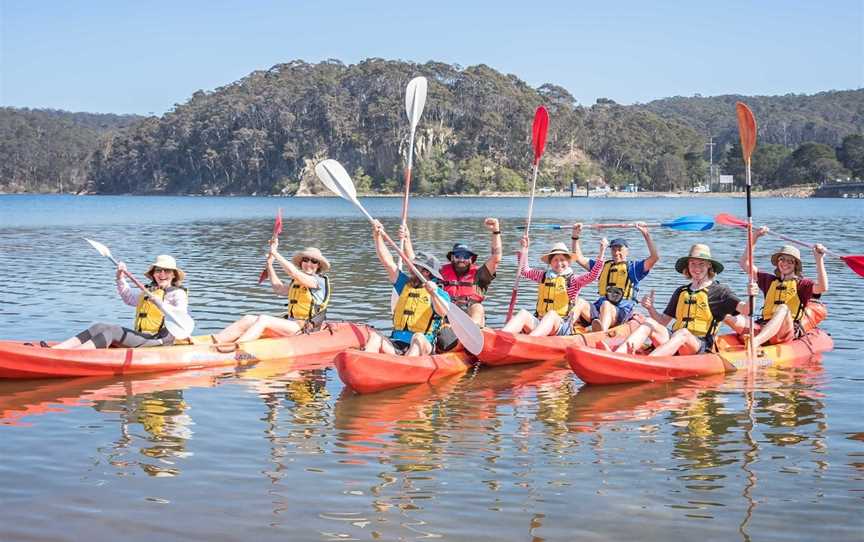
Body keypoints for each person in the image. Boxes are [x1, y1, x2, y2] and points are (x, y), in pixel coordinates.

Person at [611, 243, 752, 356]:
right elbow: (662, 321)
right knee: (649, 322)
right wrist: (650, 308)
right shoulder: (681, 291)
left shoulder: (721, 292)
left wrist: (751, 294)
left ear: (709, 265)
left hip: (699, 346)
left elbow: (746, 310)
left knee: (682, 333)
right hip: (674, 339)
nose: (696, 268)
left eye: (701, 264)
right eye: (693, 264)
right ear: (688, 266)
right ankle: (617, 356)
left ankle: (649, 362)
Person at [400, 218, 501, 350]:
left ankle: (472, 335)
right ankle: (441, 344)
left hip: (470, 320)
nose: (462, 259)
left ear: (471, 259)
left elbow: (496, 258)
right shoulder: (441, 272)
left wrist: (496, 231)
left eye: (466, 256)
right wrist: (406, 239)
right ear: (452, 257)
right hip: (448, 317)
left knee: (478, 307)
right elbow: (416, 265)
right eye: (458, 255)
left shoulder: (479, 274)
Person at [52, 255, 191, 349]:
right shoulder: (150, 290)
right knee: (99, 326)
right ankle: (57, 349)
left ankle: (75, 354)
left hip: (158, 340)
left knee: (113, 331)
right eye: (158, 271)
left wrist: (160, 304)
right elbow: (129, 298)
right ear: (154, 274)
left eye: (167, 271)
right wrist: (120, 277)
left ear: (173, 274)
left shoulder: (177, 294)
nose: (162, 274)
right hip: (143, 336)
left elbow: (180, 316)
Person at [724, 228, 829, 347]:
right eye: (782, 259)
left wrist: (819, 259)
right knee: (726, 315)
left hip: (785, 332)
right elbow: (744, 263)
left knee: (783, 308)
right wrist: (754, 237)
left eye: (790, 261)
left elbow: (823, 287)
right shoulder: (769, 280)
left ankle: (756, 342)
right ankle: (708, 344)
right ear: (777, 262)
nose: (785, 263)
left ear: (796, 266)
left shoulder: (802, 285)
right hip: (762, 327)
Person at [213, 240, 331, 343]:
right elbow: (278, 289)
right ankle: (216, 341)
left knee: (264, 319)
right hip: (290, 323)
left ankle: (238, 347)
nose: (309, 264)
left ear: (318, 266)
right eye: (306, 260)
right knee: (248, 318)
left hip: (304, 327)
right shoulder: (298, 282)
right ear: (301, 262)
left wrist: (275, 252)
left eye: (314, 261)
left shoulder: (318, 281)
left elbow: (293, 272)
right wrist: (270, 265)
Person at [363, 220, 451, 357]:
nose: (411, 268)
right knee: (375, 337)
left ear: (426, 272)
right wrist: (377, 236)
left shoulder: (440, 293)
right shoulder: (405, 284)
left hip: (423, 345)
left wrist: (433, 294)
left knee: (417, 337)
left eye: (415, 267)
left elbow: (443, 312)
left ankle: (406, 368)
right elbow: (388, 263)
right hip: (397, 343)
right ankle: (365, 364)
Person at [502, 235, 608, 336]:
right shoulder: (542, 276)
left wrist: (601, 254)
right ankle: (501, 336)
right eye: (555, 260)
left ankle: (531, 339)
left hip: (562, 326)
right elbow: (525, 271)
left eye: (562, 260)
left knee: (552, 315)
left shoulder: (573, 280)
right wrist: (524, 250)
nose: (559, 263)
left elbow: (593, 276)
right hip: (540, 321)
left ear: (568, 262)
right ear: (550, 263)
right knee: (523, 313)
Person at [570, 221, 659, 331]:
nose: (616, 253)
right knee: (579, 302)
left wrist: (646, 234)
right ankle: (565, 329)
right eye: (613, 249)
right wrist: (575, 236)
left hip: (621, 311)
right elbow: (579, 258)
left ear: (627, 251)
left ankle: (601, 334)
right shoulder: (603, 266)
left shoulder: (634, 268)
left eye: (619, 249)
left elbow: (654, 258)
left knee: (606, 305)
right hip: (600, 309)